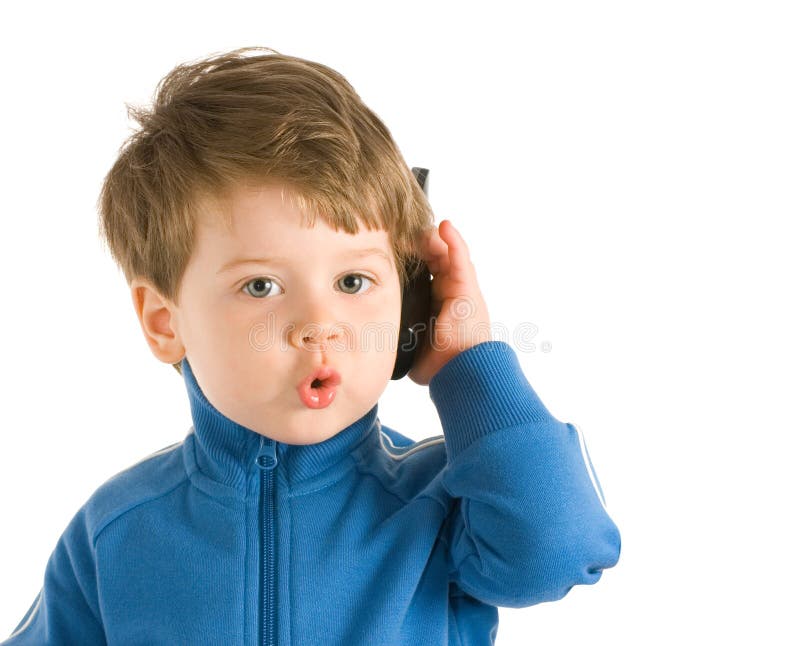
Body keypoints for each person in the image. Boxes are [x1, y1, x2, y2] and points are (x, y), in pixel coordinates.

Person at [2, 46, 620, 645]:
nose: (319, 324)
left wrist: (469, 366)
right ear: (166, 322)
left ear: (409, 300)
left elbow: (559, 550)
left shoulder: (443, 502)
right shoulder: (116, 531)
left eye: (353, 281)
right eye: (261, 285)